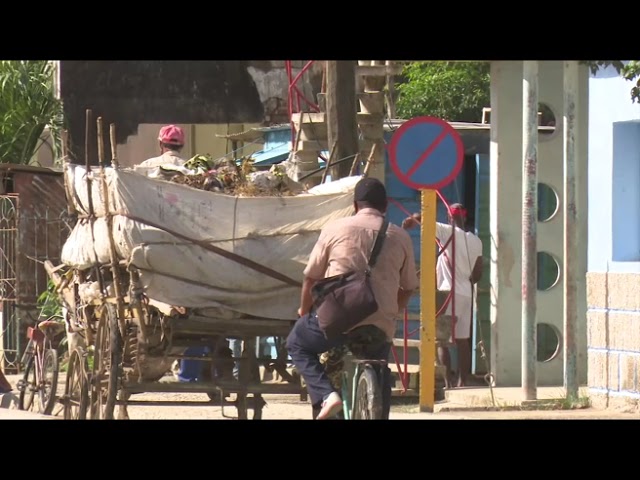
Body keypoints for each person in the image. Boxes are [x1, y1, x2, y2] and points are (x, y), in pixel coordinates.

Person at [286, 177, 419, 420]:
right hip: (380, 321)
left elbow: (311, 278)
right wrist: (392, 312)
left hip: (337, 319)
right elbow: (409, 286)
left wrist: (304, 312)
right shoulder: (401, 236)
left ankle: (327, 396)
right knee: (379, 367)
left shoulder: (335, 228)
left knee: (297, 342)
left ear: (355, 205)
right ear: (385, 206)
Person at [402, 204, 483, 388]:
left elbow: (422, 217)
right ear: (465, 217)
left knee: (441, 340)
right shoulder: (476, 241)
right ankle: (463, 381)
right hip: (466, 294)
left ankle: (448, 383)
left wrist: (410, 220)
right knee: (463, 340)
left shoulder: (448, 232)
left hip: (448, 293)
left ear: (449, 217)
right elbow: (478, 274)